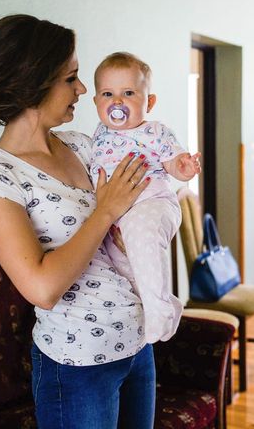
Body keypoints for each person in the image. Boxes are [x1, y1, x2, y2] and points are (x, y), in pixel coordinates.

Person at [0, 14, 155, 428]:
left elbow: (136, 213)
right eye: (71, 78)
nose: (83, 89)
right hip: (78, 364)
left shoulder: (82, 145)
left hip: (137, 344)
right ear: (32, 83)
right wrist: (105, 211)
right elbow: (42, 288)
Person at [91, 52, 200, 343]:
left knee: (144, 242)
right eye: (107, 94)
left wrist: (184, 167)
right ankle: (158, 305)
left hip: (150, 201)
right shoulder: (98, 134)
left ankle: (160, 310)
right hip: (117, 216)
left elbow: (173, 162)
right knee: (126, 265)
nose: (117, 102)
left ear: (148, 102)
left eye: (128, 93)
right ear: (96, 103)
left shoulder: (154, 132)